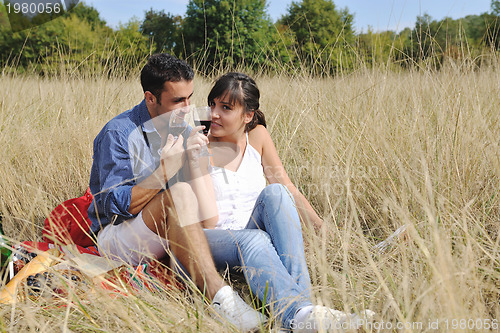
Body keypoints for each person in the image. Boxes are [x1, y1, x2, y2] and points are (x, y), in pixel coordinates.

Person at [87, 54, 266, 332]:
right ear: (150, 98)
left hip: (171, 231)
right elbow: (113, 205)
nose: (188, 108)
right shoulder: (118, 133)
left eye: (190, 97)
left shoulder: (186, 125)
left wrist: (200, 155)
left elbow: (238, 132)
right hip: (117, 236)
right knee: (178, 193)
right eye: (177, 101)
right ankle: (222, 299)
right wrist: (164, 173)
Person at [203, 72, 374, 332]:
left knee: (277, 193)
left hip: (250, 233)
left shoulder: (257, 136)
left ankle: (300, 314)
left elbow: (288, 188)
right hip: (212, 238)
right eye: (212, 104)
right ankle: (301, 315)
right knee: (256, 239)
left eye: (226, 108)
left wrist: (324, 231)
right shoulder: (198, 141)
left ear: (248, 115)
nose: (214, 113)